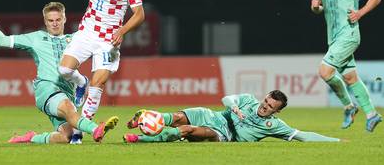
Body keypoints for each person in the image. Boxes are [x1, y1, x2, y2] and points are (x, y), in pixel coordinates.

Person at [0, 0, 118, 144]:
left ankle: (32, 138)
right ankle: (96, 129)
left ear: (65, 19)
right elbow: (2, 40)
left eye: (58, 19)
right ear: (45, 21)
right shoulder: (36, 38)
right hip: (46, 90)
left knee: (66, 137)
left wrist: (116, 36)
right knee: (68, 108)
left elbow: (100, 39)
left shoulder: (77, 38)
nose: (54, 23)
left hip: (67, 93)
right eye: (50, 20)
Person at [46, 0, 145, 144]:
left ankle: (79, 132)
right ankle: (80, 82)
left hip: (109, 41)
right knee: (64, 70)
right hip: (87, 32)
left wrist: (123, 30)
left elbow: (140, 14)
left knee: (98, 83)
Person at [311, 0, 382, 132]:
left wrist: (360, 13)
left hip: (349, 35)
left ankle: (349, 107)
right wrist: (315, 7)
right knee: (351, 78)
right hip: (333, 38)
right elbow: (319, 7)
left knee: (325, 72)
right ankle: (372, 114)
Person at [123, 90, 341, 143]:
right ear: (264, 97)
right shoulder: (248, 100)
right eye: (265, 102)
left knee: (187, 130)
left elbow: (303, 136)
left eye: (270, 107)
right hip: (215, 116)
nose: (264, 107)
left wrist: (336, 140)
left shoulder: (274, 125)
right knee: (178, 116)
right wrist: (235, 108)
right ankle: (143, 119)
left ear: (277, 111)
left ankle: (142, 138)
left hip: (223, 133)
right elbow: (227, 99)